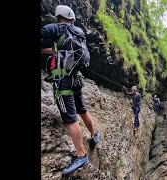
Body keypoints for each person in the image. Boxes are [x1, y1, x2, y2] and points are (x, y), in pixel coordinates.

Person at [41, 5, 100, 175]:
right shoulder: (79, 32)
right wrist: (55, 50)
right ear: (72, 19)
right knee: (82, 109)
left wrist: (48, 50)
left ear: (58, 16)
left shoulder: (53, 28)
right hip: (77, 79)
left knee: (70, 118)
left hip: (63, 81)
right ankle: (95, 134)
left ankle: (81, 156)